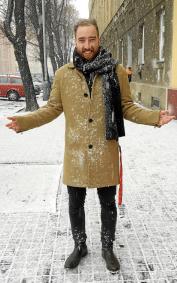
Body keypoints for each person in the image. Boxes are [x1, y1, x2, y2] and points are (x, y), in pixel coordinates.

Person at [6, 19, 175, 273]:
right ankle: (80, 245)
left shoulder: (115, 71)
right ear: (75, 41)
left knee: (107, 203)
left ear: (98, 39)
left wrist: (154, 117)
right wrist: (25, 121)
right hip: (75, 153)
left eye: (91, 39)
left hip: (105, 149)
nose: (87, 45)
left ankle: (107, 247)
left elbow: (126, 106)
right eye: (82, 40)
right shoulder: (64, 75)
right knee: (75, 204)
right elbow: (52, 108)